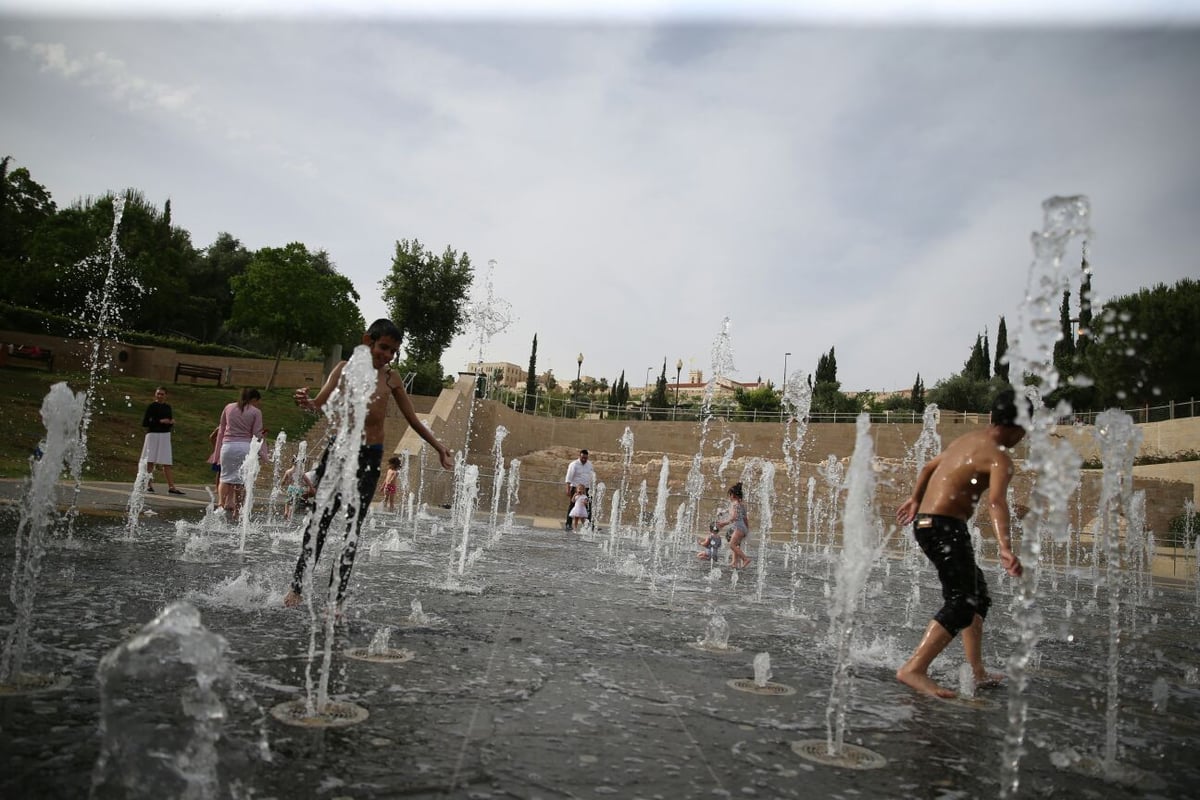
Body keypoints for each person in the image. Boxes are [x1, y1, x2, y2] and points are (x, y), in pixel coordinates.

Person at [284, 319, 454, 611]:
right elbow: (319, 404)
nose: (387, 355)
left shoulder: (392, 379)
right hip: (338, 453)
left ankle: (335, 600)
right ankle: (297, 588)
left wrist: (439, 447)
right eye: (384, 348)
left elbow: (413, 419)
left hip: (370, 456)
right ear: (368, 341)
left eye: (393, 351)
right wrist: (305, 400)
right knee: (319, 523)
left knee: (353, 527)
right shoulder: (345, 369)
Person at [894, 388, 1027, 698]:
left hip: (927, 523)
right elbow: (996, 502)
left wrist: (915, 500)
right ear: (1016, 426)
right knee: (962, 600)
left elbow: (929, 467)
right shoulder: (999, 458)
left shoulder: (965, 441)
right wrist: (1006, 547)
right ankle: (914, 669)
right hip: (945, 527)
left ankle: (977, 672)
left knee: (976, 597)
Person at [208, 388, 267, 517]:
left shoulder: (228, 407)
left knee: (225, 478)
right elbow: (257, 433)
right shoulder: (256, 412)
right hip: (244, 447)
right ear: (253, 399)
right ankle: (237, 510)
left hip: (228, 446)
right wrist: (262, 450)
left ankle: (221, 505)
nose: (258, 404)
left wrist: (217, 450)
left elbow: (222, 428)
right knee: (242, 480)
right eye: (257, 401)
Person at [139, 387, 184, 494]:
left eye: (162, 394)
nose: (160, 396)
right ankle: (148, 484)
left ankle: (171, 486)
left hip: (164, 435)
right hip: (153, 434)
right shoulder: (152, 406)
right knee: (150, 460)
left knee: (166, 461)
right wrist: (159, 421)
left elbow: (169, 420)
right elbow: (145, 422)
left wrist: (171, 422)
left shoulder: (168, 407)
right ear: (155, 395)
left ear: (165, 395)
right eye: (158, 394)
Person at [712, 482, 750, 569]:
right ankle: (734, 562)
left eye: (730, 495)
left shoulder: (734, 504)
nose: (729, 497)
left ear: (733, 495)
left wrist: (723, 523)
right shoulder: (741, 505)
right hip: (743, 528)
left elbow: (734, 517)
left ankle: (745, 559)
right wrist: (747, 530)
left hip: (739, 528)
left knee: (732, 545)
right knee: (736, 545)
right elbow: (745, 519)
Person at [563, 448, 595, 531]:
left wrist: (592, 488)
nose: (584, 459)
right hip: (576, 488)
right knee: (572, 505)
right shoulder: (574, 464)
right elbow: (568, 477)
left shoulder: (590, 465)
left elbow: (591, 476)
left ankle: (590, 525)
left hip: (587, 489)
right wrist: (568, 488)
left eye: (585, 458)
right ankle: (568, 524)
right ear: (579, 456)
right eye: (582, 458)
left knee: (588, 506)